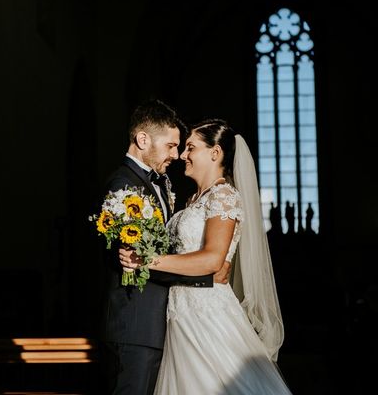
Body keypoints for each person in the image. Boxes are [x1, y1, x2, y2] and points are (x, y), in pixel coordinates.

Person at [120, 119, 291, 394]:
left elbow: (212, 259)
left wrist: (147, 260)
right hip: (180, 313)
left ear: (215, 153)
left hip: (206, 313)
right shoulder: (194, 200)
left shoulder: (223, 196)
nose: (183, 156)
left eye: (190, 148)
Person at [99, 101, 230, 395]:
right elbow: (139, 262)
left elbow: (156, 255)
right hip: (136, 325)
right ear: (142, 139)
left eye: (180, 147)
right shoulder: (124, 186)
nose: (176, 154)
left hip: (161, 323)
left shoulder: (158, 183)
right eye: (171, 146)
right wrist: (206, 276)